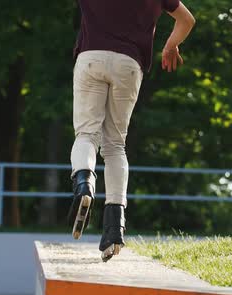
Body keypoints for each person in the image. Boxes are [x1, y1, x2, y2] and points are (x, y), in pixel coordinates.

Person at [68, 0, 195, 262]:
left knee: (87, 135)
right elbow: (187, 20)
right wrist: (170, 46)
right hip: (128, 64)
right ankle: (114, 229)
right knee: (115, 146)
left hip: (91, 58)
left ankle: (84, 184)